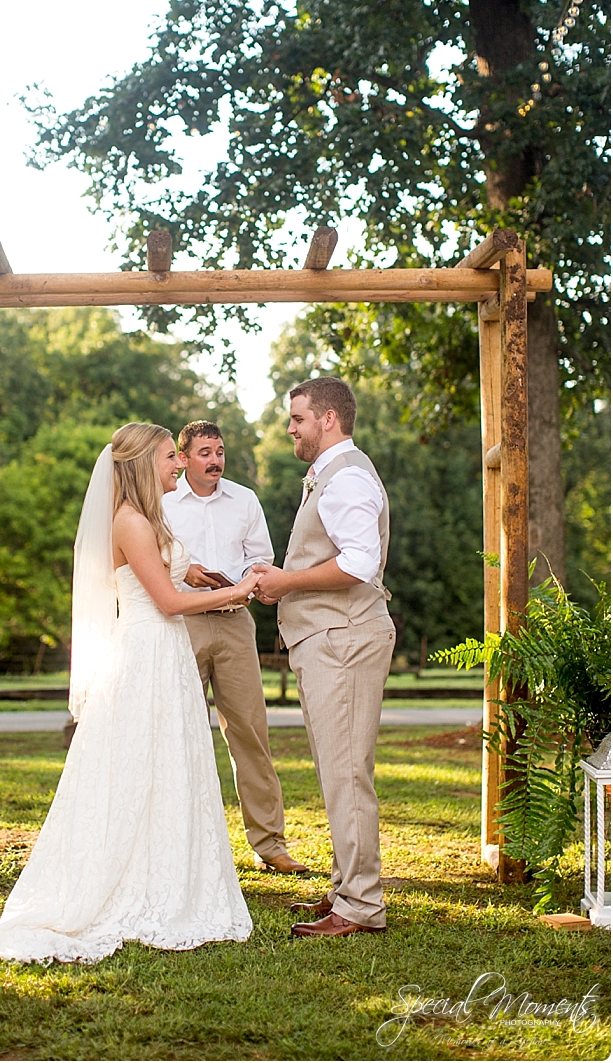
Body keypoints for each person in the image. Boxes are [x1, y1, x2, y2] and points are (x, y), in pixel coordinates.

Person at [0, 423, 255, 964]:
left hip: (165, 655)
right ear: (138, 465)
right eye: (167, 457)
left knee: (165, 767)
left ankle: (162, 872)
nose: (177, 465)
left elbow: (165, 579)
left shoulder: (148, 517)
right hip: (145, 654)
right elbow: (167, 604)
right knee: (132, 767)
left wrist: (196, 574)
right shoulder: (129, 521)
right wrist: (240, 590)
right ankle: (121, 883)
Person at [252, 378, 395, 938]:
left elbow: (360, 562)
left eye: (298, 418)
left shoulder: (349, 477)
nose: (291, 427)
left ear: (328, 419)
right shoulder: (335, 475)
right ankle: (345, 889)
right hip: (331, 641)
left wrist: (286, 582)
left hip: (345, 640)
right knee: (339, 771)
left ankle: (360, 906)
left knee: (346, 773)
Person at [163, 421, 308, 875]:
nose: (215, 460)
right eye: (204, 452)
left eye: (220, 451)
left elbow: (260, 556)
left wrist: (248, 577)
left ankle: (270, 843)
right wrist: (185, 572)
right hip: (179, 624)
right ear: (183, 459)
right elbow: (147, 559)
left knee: (250, 732)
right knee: (176, 734)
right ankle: (175, 845)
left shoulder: (244, 499)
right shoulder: (162, 503)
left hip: (234, 624)